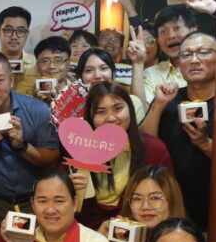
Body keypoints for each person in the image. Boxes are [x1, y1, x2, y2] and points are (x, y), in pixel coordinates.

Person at [0, 50, 61, 227]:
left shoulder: (37, 109)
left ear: (11, 80)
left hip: (35, 201)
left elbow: (51, 158)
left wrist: (22, 145)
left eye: (0, 80)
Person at [139, 32, 216, 228]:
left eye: (203, 52)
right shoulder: (169, 99)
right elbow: (145, 145)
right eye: (186, 55)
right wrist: (158, 105)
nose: (194, 60)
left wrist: (205, 144)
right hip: (169, 210)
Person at [72, 83, 172, 230]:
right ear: (91, 118)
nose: (111, 118)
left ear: (130, 109)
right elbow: (67, 208)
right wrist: (68, 190)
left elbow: (169, 200)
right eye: (101, 112)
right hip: (90, 234)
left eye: (118, 108)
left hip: (141, 232)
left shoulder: (154, 149)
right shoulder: (76, 149)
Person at [140, 0, 216, 106]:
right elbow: (142, 113)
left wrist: (214, 8)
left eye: (177, 28)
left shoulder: (212, 66)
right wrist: (137, 63)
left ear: (193, 30)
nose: (171, 36)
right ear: (158, 40)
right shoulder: (151, 74)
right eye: (163, 31)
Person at [0, 6, 37, 76]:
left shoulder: (37, 64)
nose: (14, 37)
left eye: (20, 31)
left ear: (27, 34)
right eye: (8, 30)